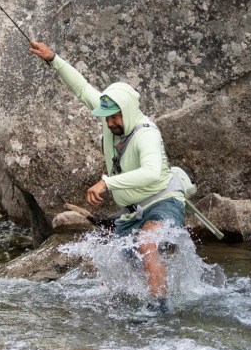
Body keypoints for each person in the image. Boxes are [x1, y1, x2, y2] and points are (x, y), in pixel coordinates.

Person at [28, 41, 185, 313]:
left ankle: (160, 308)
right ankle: (130, 298)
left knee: (146, 243)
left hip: (163, 201)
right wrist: (53, 58)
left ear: (128, 111)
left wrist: (107, 182)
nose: (111, 123)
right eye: (107, 118)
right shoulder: (108, 117)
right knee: (118, 256)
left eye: (115, 118)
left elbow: (150, 172)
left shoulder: (147, 133)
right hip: (132, 211)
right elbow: (81, 88)